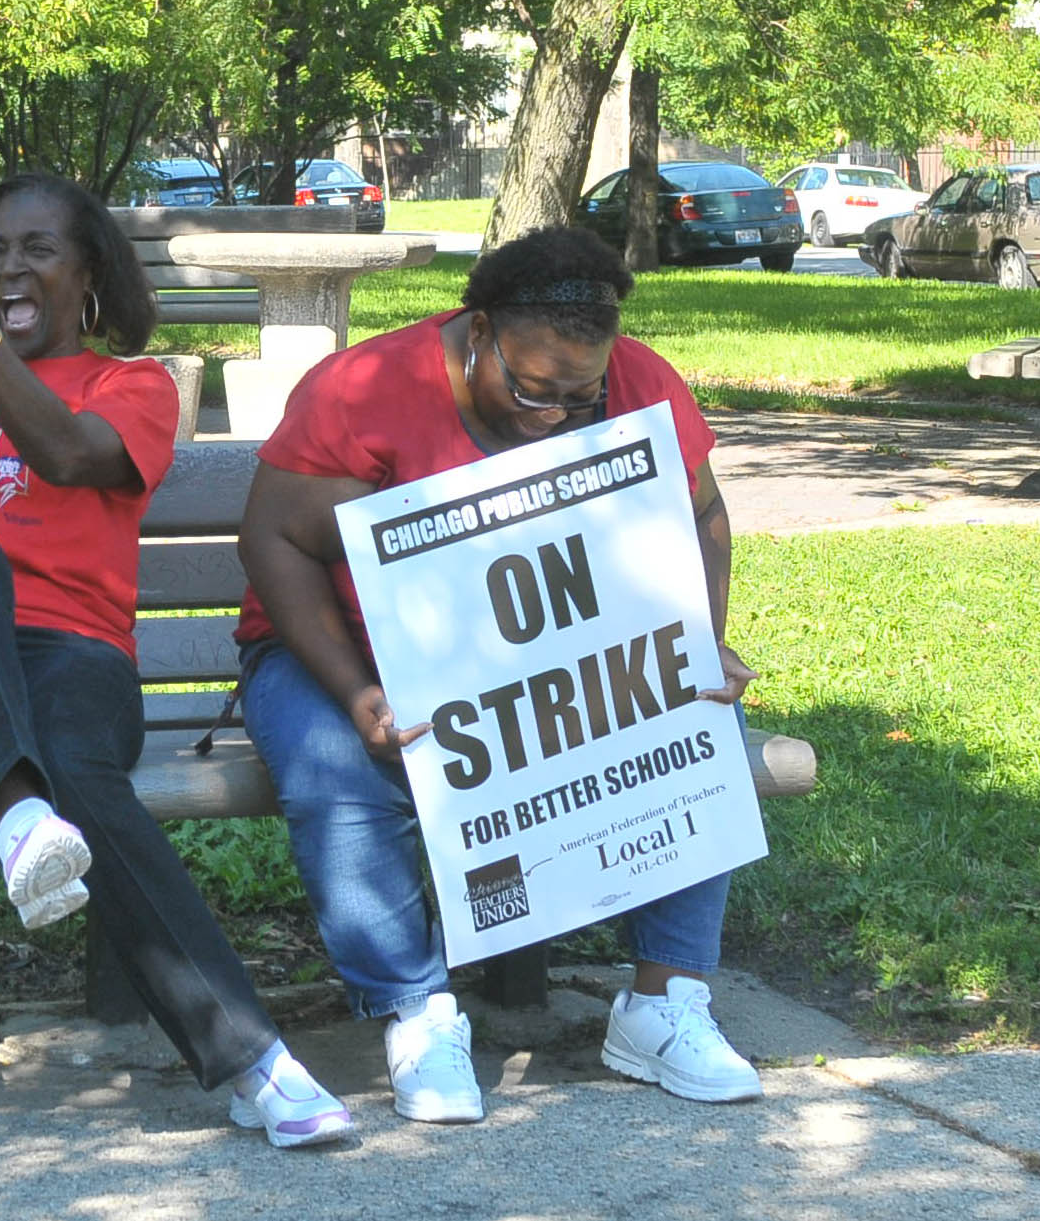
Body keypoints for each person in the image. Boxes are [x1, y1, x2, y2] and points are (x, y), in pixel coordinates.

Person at [0, 171, 355, 1148]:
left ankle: (258, 1064)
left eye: (37, 249)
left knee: (86, 777)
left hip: (72, 658)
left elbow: (73, 455)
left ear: (87, 275)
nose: (8, 267)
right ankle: (18, 813)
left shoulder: (136, 385)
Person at [236, 224, 762, 1120]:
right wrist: (358, 689)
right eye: (528, 388)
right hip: (332, 650)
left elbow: (704, 513)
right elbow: (273, 539)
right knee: (340, 771)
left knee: (695, 723)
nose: (550, 413)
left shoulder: (642, 382)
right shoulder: (364, 391)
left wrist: (697, 640)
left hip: (545, 654)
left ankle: (663, 1003)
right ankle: (416, 1009)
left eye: (578, 397)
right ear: (476, 330)